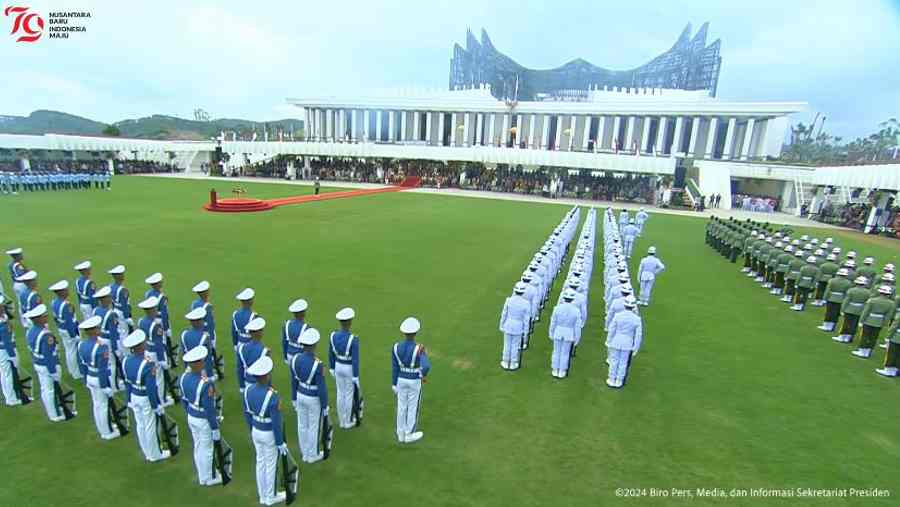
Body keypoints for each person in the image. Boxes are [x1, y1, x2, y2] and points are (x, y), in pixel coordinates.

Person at [243, 356, 288, 506]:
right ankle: (271, 496)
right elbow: (276, 422)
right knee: (271, 465)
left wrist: (252, 429)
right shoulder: (272, 395)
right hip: (269, 432)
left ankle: (262, 495)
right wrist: (280, 442)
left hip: (256, 429)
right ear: (266, 375)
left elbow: (247, 413)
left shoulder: (248, 391)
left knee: (260, 462)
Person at [122, 329, 170, 462]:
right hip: (145, 397)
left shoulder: (126, 361)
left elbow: (127, 382)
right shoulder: (148, 364)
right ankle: (155, 454)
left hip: (134, 395)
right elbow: (151, 388)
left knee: (140, 424)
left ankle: (147, 452)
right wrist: (156, 405)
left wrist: (128, 399)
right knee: (150, 426)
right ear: (141, 345)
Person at [180, 345, 224, 487]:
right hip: (203, 418)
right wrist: (215, 427)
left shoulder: (184, 378)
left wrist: (190, 412)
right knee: (207, 448)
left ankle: (202, 475)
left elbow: (184, 400)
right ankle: (208, 477)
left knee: (198, 446)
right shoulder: (206, 384)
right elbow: (209, 409)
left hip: (191, 415)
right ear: (198, 363)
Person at [290, 328, 330, 463]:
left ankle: (304, 452)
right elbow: (321, 387)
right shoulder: (317, 364)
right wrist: (325, 405)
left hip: (300, 393)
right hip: (313, 397)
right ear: (314, 345)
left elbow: (293, 380)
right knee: (314, 426)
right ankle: (312, 454)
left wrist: (294, 398)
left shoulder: (295, 359)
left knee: (302, 424)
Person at [77, 316, 120, 439]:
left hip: (90, 376)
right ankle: (107, 432)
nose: (99, 329)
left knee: (97, 405)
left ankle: (103, 428)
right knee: (103, 405)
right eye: (97, 328)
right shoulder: (101, 347)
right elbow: (102, 369)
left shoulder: (81, 345)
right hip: (99, 378)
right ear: (92, 331)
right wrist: (105, 386)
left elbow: (83, 365)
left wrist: (86, 379)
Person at [391, 317, 431, 444]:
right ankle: (409, 433)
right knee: (413, 406)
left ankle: (400, 433)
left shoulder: (396, 347)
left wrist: (394, 383)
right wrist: (421, 375)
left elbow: (395, 366)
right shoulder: (419, 348)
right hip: (414, 380)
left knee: (401, 406)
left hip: (400, 379)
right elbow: (426, 366)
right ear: (415, 333)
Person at [25, 304, 65, 421]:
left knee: (45, 389)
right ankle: (54, 414)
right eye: (44, 316)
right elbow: (48, 355)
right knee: (50, 390)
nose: (46, 317)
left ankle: (53, 410)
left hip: (38, 362)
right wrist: (53, 371)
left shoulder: (31, 331)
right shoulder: (45, 334)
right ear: (38, 319)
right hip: (47, 365)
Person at [138, 296, 172, 406]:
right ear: (152, 310)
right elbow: (158, 344)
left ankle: (158, 397)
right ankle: (161, 400)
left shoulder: (141, 321)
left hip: (147, 350)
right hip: (156, 353)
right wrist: (162, 359)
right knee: (159, 378)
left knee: (154, 377)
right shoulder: (156, 326)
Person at [329, 307, 359, 429]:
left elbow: (330, 352)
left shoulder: (333, 336)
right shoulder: (353, 339)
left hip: (337, 366)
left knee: (340, 393)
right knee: (348, 393)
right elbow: (355, 359)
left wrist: (331, 367)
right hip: (348, 367)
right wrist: (356, 376)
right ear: (350, 322)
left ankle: (342, 420)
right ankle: (347, 421)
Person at [851, 286, 897, 359]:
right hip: (879, 322)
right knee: (874, 337)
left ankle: (862, 351)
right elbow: (888, 315)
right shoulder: (891, 303)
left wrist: (861, 321)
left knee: (865, 336)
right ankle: (868, 351)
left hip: (869, 320)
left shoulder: (872, 300)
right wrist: (884, 323)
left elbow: (866, 312)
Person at [49, 280, 82, 380]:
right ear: (61, 292)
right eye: (65, 289)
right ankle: (76, 373)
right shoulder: (66, 305)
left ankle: (72, 370)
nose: (67, 291)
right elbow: (69, 322)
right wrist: (74, 335)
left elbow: (56, 318)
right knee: (72, 351)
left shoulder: (54, 303)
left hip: (61, 328)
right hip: (69, 330)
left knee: (68, 350)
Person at [606, 296, 643, 388]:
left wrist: (609, 340)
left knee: (614, 361)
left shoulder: (618, 316)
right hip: (628, 343)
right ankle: (619, 381)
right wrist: (635, 347)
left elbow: (612, 329)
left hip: (616, 340)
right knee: (623, 363)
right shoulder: (636, 319)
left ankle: (611, 379)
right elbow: (638, 335)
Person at [93, 285, 124, 391]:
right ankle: (114, 386)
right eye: (109, 297)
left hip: (99, 338)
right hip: (109, 341)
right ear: (105, 299)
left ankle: (112, 383)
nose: (111, 298)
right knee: (113, 364)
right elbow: (113, 334)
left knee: (107, 364)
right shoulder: (112, 314)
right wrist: (116, 349)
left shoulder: (96, 310)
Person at [548, 289, 582, 379]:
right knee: (565, 353)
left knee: (556, 351)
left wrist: (551, 332)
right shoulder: (576, 311)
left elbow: (553, 322)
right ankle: (562, 370)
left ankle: (555, 369)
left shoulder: (557, 308)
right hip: (569, 333)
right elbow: (577, 327)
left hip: (558, 331)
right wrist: (577, 338)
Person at [499, 282, 531, 370]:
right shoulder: (526, 303)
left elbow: (504, 314)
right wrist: (526, 331)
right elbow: (526, 320)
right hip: (518, 326)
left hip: (508, 324)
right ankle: (513, 363)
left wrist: (501, 324)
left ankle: (505, 361)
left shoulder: (509, 300)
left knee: (507, 344)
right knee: (515, 345)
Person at [832, 277, 872, 344]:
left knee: (846, 323)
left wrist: (842, 309)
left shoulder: (851, 290)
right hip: (860, 310)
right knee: (854, 324)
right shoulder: (868, 292)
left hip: (849, 309)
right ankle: (849, 337)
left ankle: (842, 336)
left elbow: (846, 301)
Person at [237, 317, 270, 393]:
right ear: (260, 333)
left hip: (247, 381)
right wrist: (269, 386)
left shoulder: (241, 348)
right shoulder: (265, 351)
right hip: (260, 383)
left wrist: (241, 385)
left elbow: (239, 369)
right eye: (261, 330)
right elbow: (267, 372)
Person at [0, 295, 23, 406]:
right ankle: (11, 398)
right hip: (5, 350)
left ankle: (9, 395)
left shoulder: (3, 317)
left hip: (4, 349)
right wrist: (12, 355)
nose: (3, 306)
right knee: (7, 374)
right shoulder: (2, 324)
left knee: (5, 373)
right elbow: (6, 341)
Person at [144, 273, 172, 360]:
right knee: (162, 341)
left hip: (151, 319)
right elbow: (164, 314)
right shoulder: (162, 297)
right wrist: (167, 328)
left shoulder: (148, 294)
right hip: (160, 321)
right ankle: (166, 359)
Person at [182, 307, 216, 380]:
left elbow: (184, 353)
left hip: (189, 367)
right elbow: (208, 358)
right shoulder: (205, 337)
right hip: (201, 369)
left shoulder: (184, 334)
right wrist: (210, 375)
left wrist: (186, 367)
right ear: (199, 322)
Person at [820, 269, 851, 333]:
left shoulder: (832, 280)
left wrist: (824, 299)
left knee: (829, 312)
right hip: (840, 299)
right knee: (835, 313)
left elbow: (828, 290)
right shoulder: (848, 283)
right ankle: (831, 326)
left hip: (831, 298)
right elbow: (846, 293)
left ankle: (826, 325)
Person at [281, 299, 309, 365]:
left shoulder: (287, 324)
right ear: (303, 313)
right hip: (300, 357)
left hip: (289, 355)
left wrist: (285, 357)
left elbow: (284, 342)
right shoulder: (306, 328)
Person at [231, 288, 257, 352]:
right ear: (250, 301)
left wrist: (235, 344)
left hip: (239, 343)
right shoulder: (253, 316)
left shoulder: (235, 314)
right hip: (251, 345)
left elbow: (234, 332)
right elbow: (256, 334)